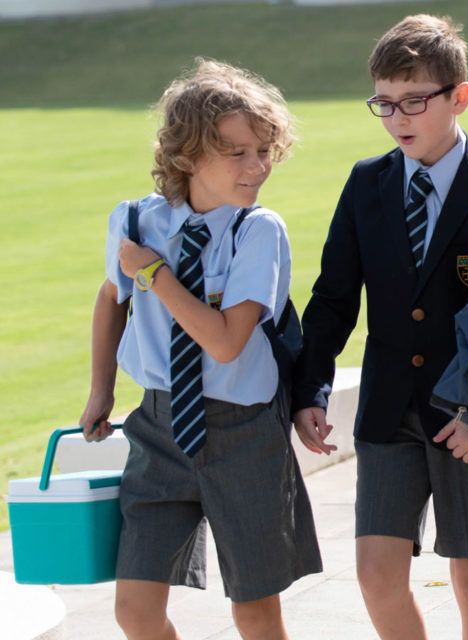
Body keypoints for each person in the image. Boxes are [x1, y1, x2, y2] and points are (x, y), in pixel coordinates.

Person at [290, 14, 468, 640]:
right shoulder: (367, 182)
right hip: (388, 411)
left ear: (460, 96)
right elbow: (334, 297)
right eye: (384, 104)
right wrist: (311, 389)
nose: (398, 119)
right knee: (376, 575)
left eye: (414, 101)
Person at [79, 58, 322, 640]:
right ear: (187, 155)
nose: (257, 166)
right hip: (158, 429)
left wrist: (155, 274)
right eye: (236, 153)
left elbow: (225, 341)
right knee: (135, 611)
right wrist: (100, 391)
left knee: (255, 613)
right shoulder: (134, 221)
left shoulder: (258, 230)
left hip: (245, 436)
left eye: (263, 150)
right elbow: (112, 298)